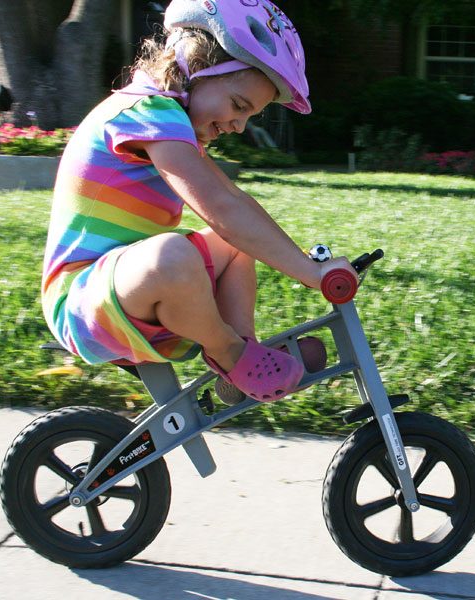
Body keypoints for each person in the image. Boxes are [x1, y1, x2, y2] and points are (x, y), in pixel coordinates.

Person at [41, 0, 353, 403]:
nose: (239, 125)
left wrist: (310, 265)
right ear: (197, 66)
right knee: (175, 255)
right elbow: (220, 206)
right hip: (83, 303)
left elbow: (235, 205)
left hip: (125, 288)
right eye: (239, 106)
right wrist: (312, 275)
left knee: (234, 244)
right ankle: (231, 354)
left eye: (249, 116)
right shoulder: (146, 111)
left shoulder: (165, 121)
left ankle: (242, 353)